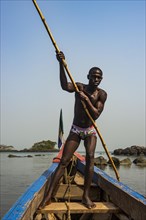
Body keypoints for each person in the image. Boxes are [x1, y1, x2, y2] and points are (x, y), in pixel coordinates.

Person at [43, 51, 107, 209]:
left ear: (101, 79)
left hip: (90, 130)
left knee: (91, 157)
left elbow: (96, 114)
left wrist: (86, 99)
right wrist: (60, 63)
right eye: (93, 76)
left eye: (99, 77)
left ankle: (85, 196)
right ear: (88, 76)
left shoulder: (102, 94)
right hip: (76, 129)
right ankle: (48, 196)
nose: (96, 79)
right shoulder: (79, 86)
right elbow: (65, 86)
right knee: (64, 161)